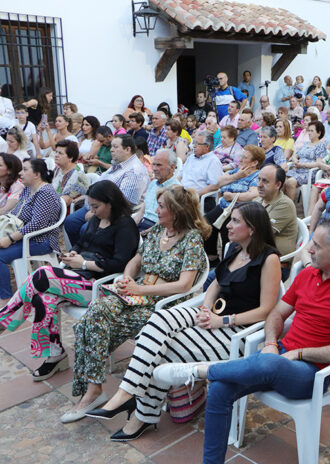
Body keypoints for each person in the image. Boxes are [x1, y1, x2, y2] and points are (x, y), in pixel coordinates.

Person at [152, 217, 330, 463]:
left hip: (310, 373)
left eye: (316, 246)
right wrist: (270, 343)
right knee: (220, 390)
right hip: (277, 356)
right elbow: (277, 313)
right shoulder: (308, 275)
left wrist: (298, 354)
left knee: (270, 363)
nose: (309, 249)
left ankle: (200, 371)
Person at [86, 202, 280, 441]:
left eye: (236, 220)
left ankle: (141, 415)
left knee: (164, 351)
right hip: (210, 316)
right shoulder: (234, 249)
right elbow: (217, 284)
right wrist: (205, 308)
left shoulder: (269, 259)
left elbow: (266, 310)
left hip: (236, 331)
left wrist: (223, 320)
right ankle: (126, 394)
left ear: (252, 228)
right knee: (159, 318)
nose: (228, 224)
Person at [60, 185, 209, 424]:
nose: (155, 210)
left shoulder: (191, 239)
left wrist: (141, 289)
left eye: (161, 207)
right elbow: (135, 261)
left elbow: (184, 285)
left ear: (177, 211)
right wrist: (127, 278)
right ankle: (93, 390)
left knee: (90, 327)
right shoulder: (158, 230)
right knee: (95, 312)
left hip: (162, 305)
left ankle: (92, 391)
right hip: (136, 293)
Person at [0, 180, 139, 378]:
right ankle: (55, 356)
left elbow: (119, 264)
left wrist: (83, 264)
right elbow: (81, 244)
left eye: (96, 206)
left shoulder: (125, 226)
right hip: (80, 278)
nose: (92, 211)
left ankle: (4, 318)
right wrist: (72, 254)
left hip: (101, 286)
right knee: (42, 299)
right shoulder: (96, 220)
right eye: (90, 206)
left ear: (111, 203)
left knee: (42, 275)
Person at [0, 159, 62, 305]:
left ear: (36, 174)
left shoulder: (45, 192)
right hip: (24, 235)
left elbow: (37, 224)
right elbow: (16, 212)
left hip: (41, 240)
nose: (20, 173)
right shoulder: (28, 188)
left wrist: (10, 238)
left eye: (25, 169)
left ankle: (6, 301)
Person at [203, 145, 265, 257]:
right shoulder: (238, 171)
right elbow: (219, 182)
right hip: (224, 206)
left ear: (254, 162)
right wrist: (236, 176)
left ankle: (227, 259)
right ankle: (212, 255)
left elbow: (253, 194)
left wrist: (232, 196)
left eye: (245, 158)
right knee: (205, 222)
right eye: (241, 156)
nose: (240, 160)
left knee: (226, 229)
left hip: (238, 209)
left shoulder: (256, 176)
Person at [254, 165, 298, 260]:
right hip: (259, 255)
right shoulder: (258, 200)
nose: (259, 184)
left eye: (265, 181)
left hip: (276, 262)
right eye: (259, 179)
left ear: (278, 185)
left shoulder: (285, 204)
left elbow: (261, 233)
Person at [133, 148, 181, 232]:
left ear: (172, 167)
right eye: (153, 164)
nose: (154, 168)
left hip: (157, 229)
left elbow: (168, 223)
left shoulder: (176, 189)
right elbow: (142, 211)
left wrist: (144, 233)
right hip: (142, 223)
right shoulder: (153, 183)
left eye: (159, 165)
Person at [285, 120, 327, 203]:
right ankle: (281, 207)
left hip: (308, 172)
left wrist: (303, 165)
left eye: (312, 131)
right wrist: (295, 160)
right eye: (309, 130)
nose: (309, 133)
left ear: (319, 133)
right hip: (297, 169)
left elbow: (319, 163)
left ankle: (289, 208)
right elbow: (295, 155)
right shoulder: (306, 144)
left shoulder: (321, 145)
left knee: (290, 182)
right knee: (280, 179)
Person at [180, 131, 224, 204]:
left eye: (197, 144)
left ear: (207, 146)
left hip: (199, 198)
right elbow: (180, 176)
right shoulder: (191, 157)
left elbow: (214, 186)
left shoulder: (213, 161)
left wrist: (195, 195)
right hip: (182, 193)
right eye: (194, 143)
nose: (194, 146)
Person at [52, 139, 89, 209]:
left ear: (71, 158)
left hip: (65, 211)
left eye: (60, 153)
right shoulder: (58, 169)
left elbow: (65, 200)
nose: (56, 155)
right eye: (56, 152)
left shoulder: (77, 175)